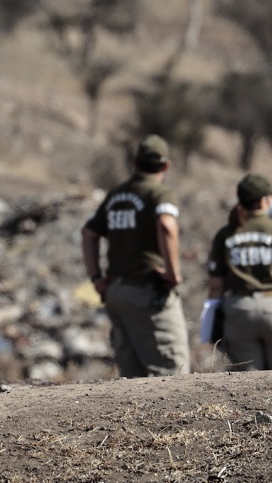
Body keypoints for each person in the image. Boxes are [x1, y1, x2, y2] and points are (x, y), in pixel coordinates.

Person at [81, 135, 190, 377]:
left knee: (132, 378)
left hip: (116, 292)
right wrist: (173, 275)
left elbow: (89, 233)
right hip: (148, 292)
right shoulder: (159, 194)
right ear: (166, 166)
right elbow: (167, 226)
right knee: (173, 374)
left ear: (136, 162)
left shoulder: (115, 196)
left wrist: (96, 278)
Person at [206, 174, 272, 371]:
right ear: (264, 201)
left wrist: (210, 327)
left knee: (250, 385)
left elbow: (215, 286)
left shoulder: (226, 234)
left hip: (240, 311)